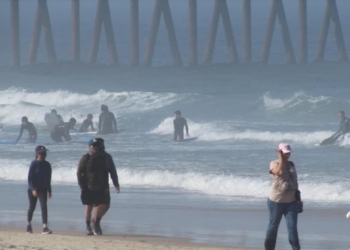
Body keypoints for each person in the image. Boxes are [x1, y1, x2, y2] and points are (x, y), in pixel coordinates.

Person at [264, 143, 301, 250]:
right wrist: (280, 158)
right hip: (276, 201)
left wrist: (298, 199)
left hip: (291, 201)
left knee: (292, 227)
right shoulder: (274, 163)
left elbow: (295, 182)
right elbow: (279, 172)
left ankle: (296, 248)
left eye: (288, 152)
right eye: (285, 153)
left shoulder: (292, 164)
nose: (287, 155)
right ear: (280, 152)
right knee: (273, 226)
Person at [77, 139, 110, 235]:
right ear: (89, 147)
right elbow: (79, 172)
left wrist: (106, 185)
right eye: (93, 146)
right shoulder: (85, 158)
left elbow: (105, 172)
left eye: (96, 146)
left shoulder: (102, 158)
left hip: (100, 186)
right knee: (89, 207)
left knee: (103, 204)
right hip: (88, 186)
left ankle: (95, 223)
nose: (95, 148)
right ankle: (88, 227)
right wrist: (82, 185)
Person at [27, 145, 52, 234]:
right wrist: (33, 189)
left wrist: (49, 191)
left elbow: (48, 178)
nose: (43, 155)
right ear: (37, 154)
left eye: (44, 153)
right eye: (41, 153)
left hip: (43, 189)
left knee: (44, 207)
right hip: (33, 189)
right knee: (32, 207)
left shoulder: (47, 165)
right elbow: (30, 178)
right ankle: (28, 225)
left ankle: (45, 227)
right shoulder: (34, 164)